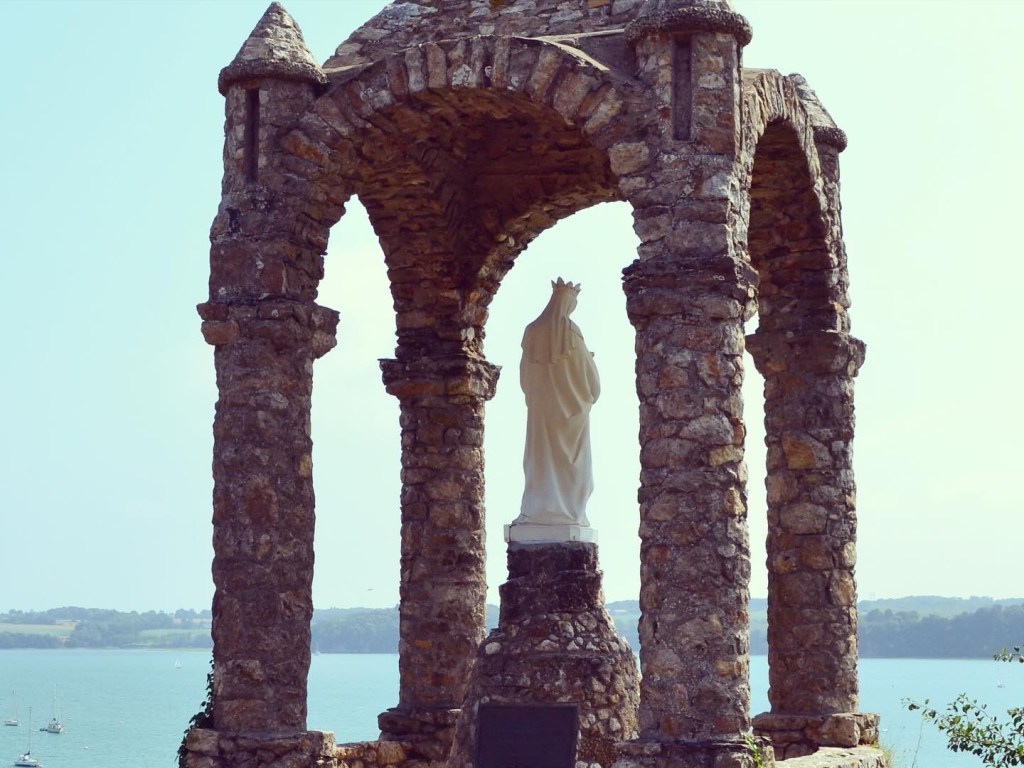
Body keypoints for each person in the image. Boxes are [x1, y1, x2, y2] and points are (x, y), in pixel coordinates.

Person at [515, 277, 601, 527]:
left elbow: (525, 378)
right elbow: (592, 383)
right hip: (572, 415)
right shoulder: (571, 333)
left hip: (541, 412)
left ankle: (537, 510)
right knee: (573, 467)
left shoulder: (532, 331)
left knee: (540, 459)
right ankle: (570, 512)